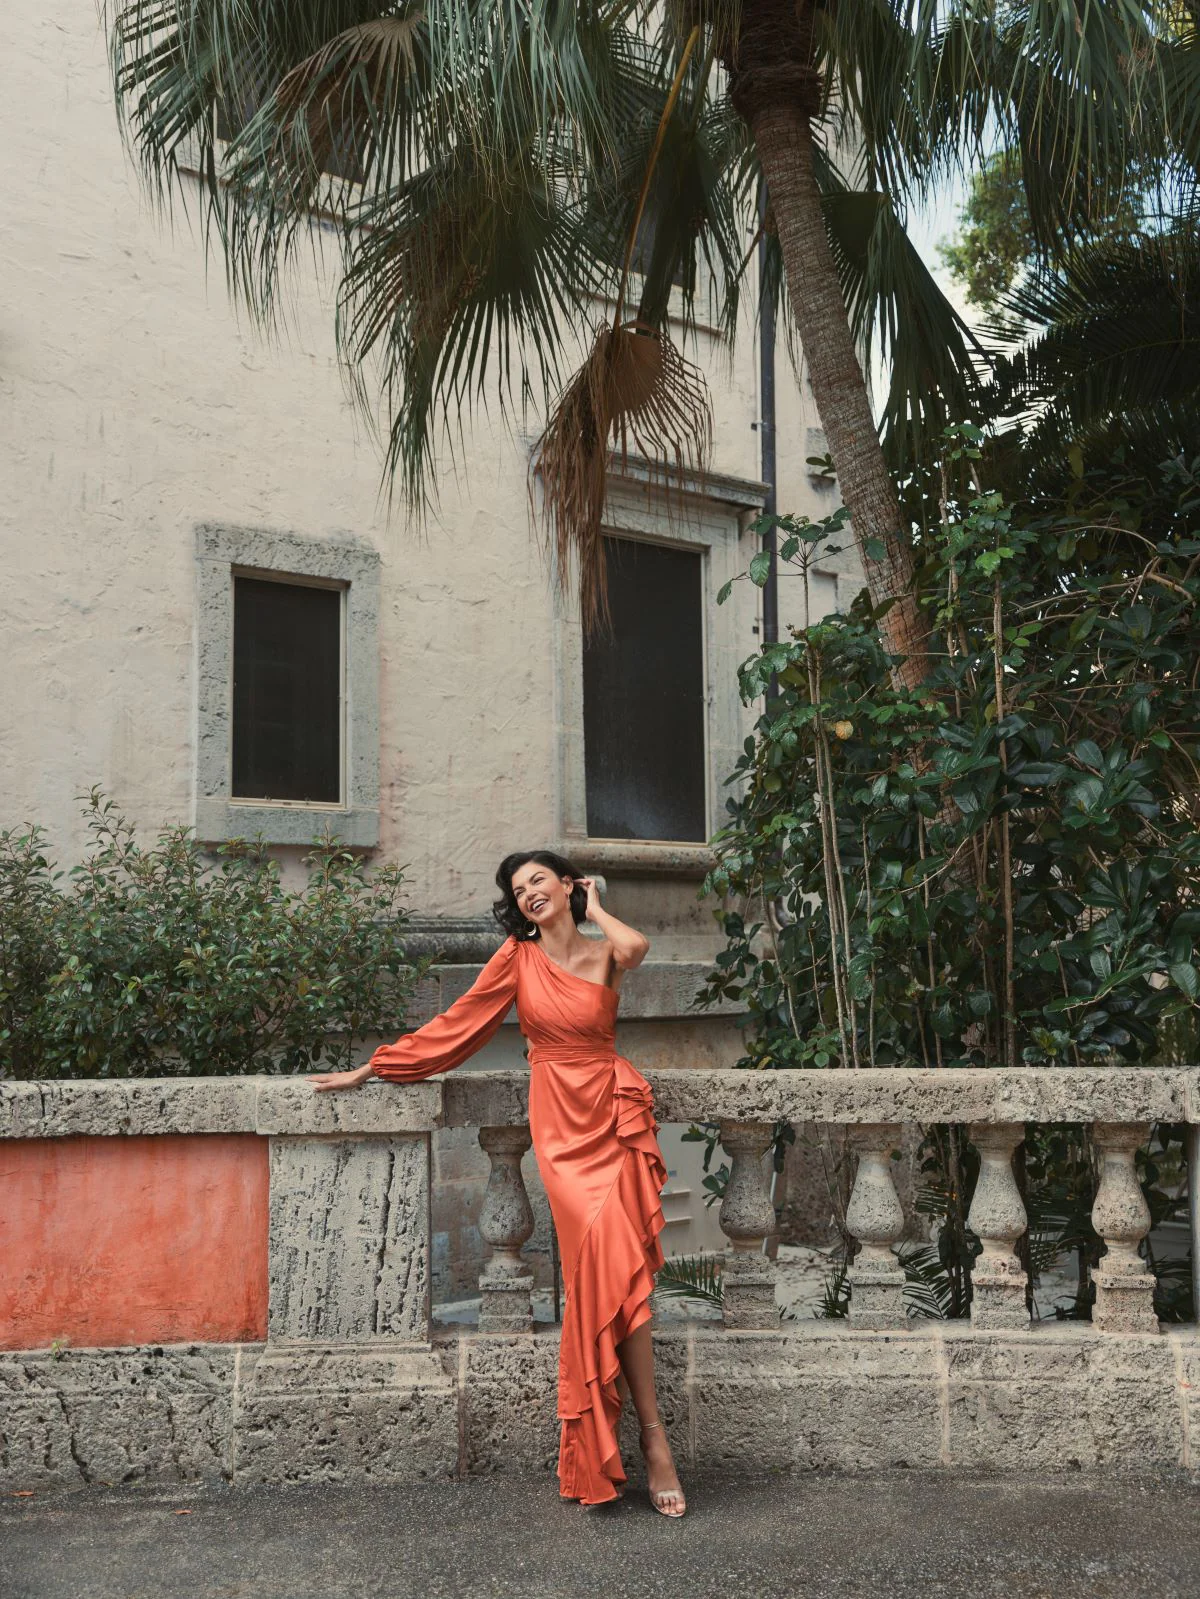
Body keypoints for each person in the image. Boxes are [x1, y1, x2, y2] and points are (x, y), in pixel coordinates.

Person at [311, 850, 687, 1517]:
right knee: (600, 1267)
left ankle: (655, 1442)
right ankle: (616, 1443)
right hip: (564, 1136)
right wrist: (375, 1066)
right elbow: (457, 1025)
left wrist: (595, 907)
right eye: (518, 890)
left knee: (625, 1282)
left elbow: (636, 945)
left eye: (539, 879)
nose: (528, 893)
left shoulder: (602, 950)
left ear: (567, 884)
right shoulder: (517, 958)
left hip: (610, 1111)